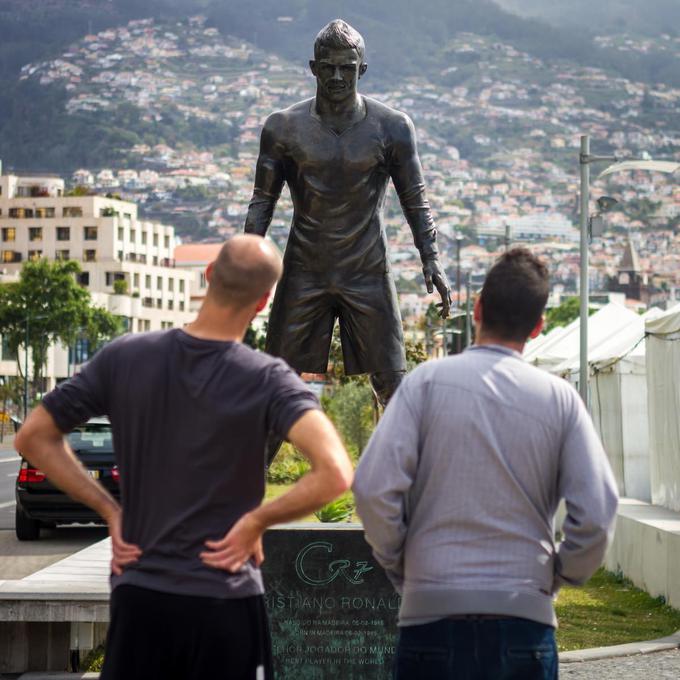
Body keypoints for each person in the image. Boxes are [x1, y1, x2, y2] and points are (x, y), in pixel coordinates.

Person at [15, 234, 354, 680]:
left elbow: (33, 438)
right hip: (226, 598)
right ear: (263, 302)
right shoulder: (269, 379)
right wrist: (255, 522)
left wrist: (109, 511)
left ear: (209, 275)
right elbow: (335, 472)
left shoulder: (125, 358)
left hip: (142, 596)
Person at [353, 248, 618, 679]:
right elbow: (599, 511)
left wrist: (400, 560)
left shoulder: (424, 385)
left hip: (430, 617)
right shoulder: (560, 400)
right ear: (538, 325)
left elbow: (372, 487)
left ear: (477, 308)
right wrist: (559, 574)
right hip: (523, 620)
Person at [244, 19, 451, 412]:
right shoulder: (283, 128)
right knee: (273, 388)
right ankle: (245, 475)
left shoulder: (392, 127)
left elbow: (415, 199)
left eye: (347, 67)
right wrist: (246, 265)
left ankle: (407, 475)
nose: (338, 76)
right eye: (328, 67)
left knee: (393, 387)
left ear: (363, 69)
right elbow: (261, 202)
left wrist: (432, 258)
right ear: (313, 68)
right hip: (305, 270)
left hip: (368, 271)